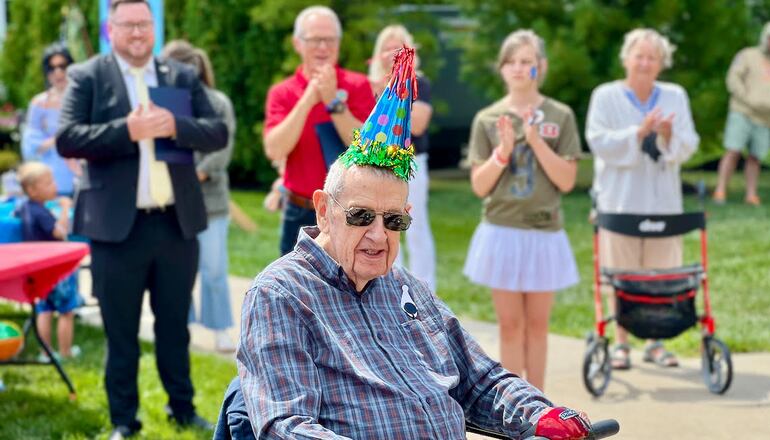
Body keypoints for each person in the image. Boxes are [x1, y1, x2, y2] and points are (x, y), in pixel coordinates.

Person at [231, 47, 592, 439]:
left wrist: (539, 415)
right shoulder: (282, 295)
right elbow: (285, 426)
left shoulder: (406, 287)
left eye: (394, 220)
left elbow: (481, 380)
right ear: (322, 210)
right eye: (360, 215)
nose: (378, 234)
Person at [56, 0, 227, 437]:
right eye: (128, 25)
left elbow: (217, 130)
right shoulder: (89, 75)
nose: (137, 33)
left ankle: (183, 410)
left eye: (144, 25)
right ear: (110, 28)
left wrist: (175, 125)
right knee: (121, 333)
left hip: (175, 225)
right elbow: (67, 137)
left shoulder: (180, 76)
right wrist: (125, 131)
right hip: (116, 231)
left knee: (174, 327)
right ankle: (123, 420)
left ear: (153, 29)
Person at [463, 29, 581, 391]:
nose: (518, 68)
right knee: (510, 326)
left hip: (544, 232)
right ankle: (516, 405)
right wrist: (504, 151)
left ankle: (540, 404)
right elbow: (480, 185)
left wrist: (534, 141)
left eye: (526, 61)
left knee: (538, 325)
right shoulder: (488, 119)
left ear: (539, 67)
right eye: (511, 61)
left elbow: (567, 180)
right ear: (501, 69)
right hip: (502, 230)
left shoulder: (559, 116)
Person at [585, 28, 699, 369]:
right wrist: (638, 132)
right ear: (626, 59)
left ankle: (656, 342)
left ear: (661, 63)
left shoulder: (675, 95)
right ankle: (620, 344)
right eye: (640, 56)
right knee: (619, 274)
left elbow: (688, 143)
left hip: (663, 202)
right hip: (619, 203)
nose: (645, 63)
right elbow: (598, 140)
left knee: (662, 273)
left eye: (653, 57)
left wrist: (666, 135)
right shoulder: (605, 96)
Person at [263, 5, 375, 256]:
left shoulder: (357, 86)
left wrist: (333, 102)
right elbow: (274, 149)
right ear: (297, 44)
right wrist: (307, 100)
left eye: (330, 40)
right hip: (299, 211)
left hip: (351, 210)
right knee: (294, 291)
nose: (323, 47)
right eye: (315, 40)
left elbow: (368, 149)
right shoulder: (282, 93)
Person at [161, 40, 236, 353]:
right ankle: (182, 326)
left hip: (211, 202)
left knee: (214, 268)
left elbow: (223, 147)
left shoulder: (217, 102)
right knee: (177, 270)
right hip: (169, 202)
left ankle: (220, 328)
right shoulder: (161, 105)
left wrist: (194, 175)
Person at [369, 24, 436, 291]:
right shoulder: (371, 85)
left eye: (398, 47)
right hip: (380, 164)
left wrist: (398, 87)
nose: (391, 53)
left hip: (412, 162)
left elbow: (418, 124)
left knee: (415, 226)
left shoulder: (419, 83)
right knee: (385, 226)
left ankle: (425, 289)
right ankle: (391, 287)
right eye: (386, 48)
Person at [713, 21, 770, 206]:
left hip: (766, 118)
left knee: (755, 157)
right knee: (733, 150)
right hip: (742, 112)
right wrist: (747, 99)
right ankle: (721, 190)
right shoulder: (747, 55)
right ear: (766, 38)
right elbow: (733, 79)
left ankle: (751, 194)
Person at [15, 162, 82, 361]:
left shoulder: (25, 208)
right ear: (32, 190)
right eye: (48, 183)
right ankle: (66, 352)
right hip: (56, 270)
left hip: (39, 270)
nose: (54, 186)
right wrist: (65, 208)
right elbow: (59, 233)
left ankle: (46, 352)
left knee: (44, 310)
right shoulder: (41, 212)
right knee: (66, 310)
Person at [21, 43, 81, 196]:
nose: (58, 72)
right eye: (52, 68)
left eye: (63, 66)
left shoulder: (84, 97)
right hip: (52, 181)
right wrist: (60, 138)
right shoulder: (39, 103)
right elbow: (30, 146)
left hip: (85, 177)